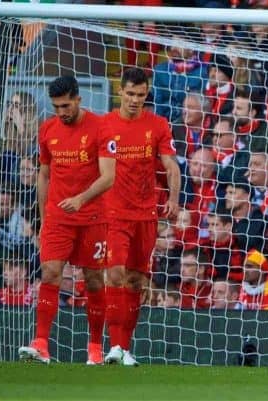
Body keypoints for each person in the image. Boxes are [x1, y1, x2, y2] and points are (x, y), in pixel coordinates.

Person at [17, 76, 116, 365]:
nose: (62, 112)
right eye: (57, 106)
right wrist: (44, 217)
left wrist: (81, 199)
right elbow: (44, 174)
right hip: (59, 218)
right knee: (49, 273)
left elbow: (109, 176)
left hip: (93, 217)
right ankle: (40, 343)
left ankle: (95, 347)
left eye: (66, 105)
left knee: (94, 280)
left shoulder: (101, 128)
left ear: (78, 99)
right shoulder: (47, 130)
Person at [102, 68, 180, 366]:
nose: (135, 100)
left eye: (141, 95)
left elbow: (170, 165)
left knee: (135, 280)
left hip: (145, 215)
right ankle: (113, 345)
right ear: (120, 91)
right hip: (113, 214)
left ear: (147, 94)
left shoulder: (157, 125)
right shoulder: (105, 124)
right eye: (130, 94)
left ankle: (124, 347)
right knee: (116, 273)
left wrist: (173, 198)